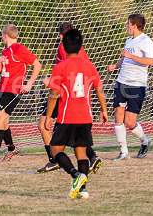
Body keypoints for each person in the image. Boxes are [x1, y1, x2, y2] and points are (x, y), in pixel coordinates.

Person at [45, 29, 108, 199]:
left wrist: (49, 117)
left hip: (67, 116)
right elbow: (99, 89)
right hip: (86, 117)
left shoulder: (60, 67)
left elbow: (54, 94)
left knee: (55, 150)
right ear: (81, 47)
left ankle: (75, 175)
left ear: (64, 47)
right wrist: (104, 109)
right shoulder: (90, 65)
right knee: (81, 152)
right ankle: (83, 190)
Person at [37, 22, 102, 174]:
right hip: (82, 98)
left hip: (65, 97)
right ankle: (91, 158)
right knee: (77, 136)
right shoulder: (81, 50)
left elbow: (63, 79)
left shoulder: (63, 48)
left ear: (62, 36)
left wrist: (50, 82)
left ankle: (55, 161)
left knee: (43, 125)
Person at [0, 24, 42, 161]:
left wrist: (29, 84)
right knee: (3, 121)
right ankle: (12, 148)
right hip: (2, 89)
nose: (1, 37)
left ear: (5, 35)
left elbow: (37, 64)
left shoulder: (19, 48)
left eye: (2, 35)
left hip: (13, 89)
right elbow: (1, 72)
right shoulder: (5, 50)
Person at [108, 13, 153, 160]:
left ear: (134, 25)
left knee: (129, 122)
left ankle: (145, 140)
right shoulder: (128, 40)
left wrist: (131, 56)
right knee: (118, 115)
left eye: (128, 24)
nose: (126, 26)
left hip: (136, 86)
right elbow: (124, 58)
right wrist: (115, 65)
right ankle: (123, 151)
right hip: (122, 82)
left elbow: (151, 61)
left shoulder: (146, 41)